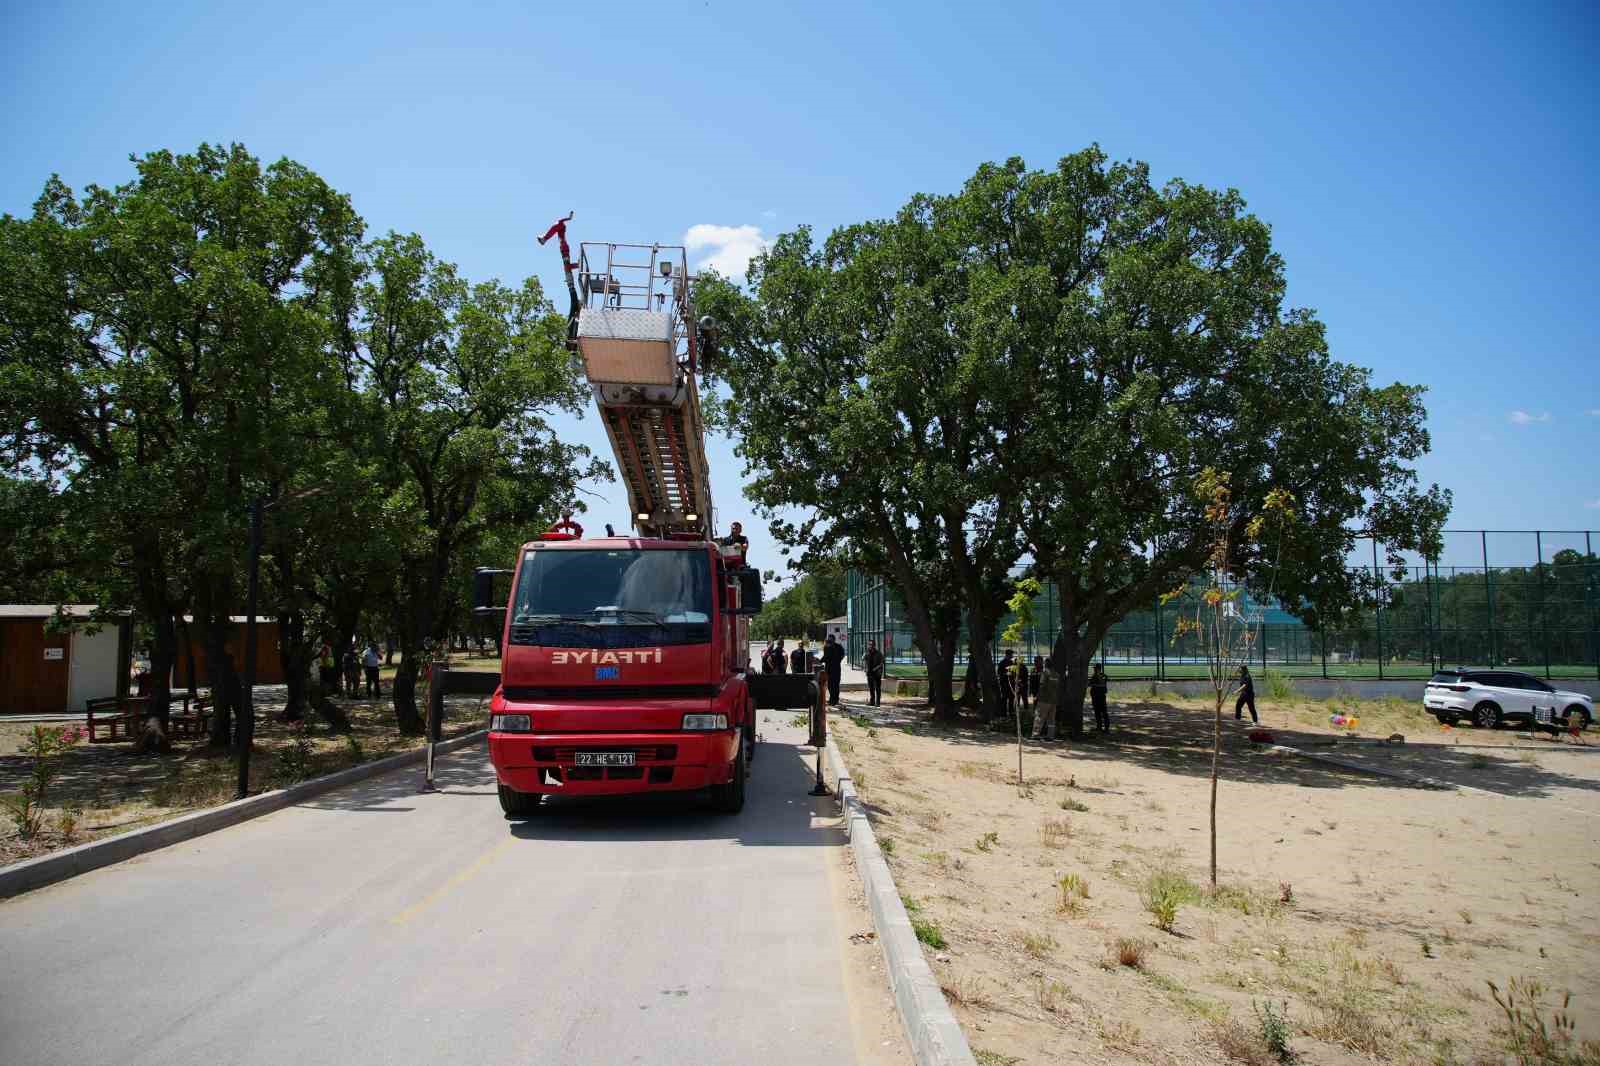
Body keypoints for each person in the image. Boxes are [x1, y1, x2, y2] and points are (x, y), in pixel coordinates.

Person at [822, 633, 845, 706]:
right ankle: (833, 699)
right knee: (831, 685)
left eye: (830, 639)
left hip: (834, 668)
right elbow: (826, 657)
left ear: (833, 640)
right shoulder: (827, 647)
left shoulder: (835, 647)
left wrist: (838, 660)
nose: (830, 640)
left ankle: (834, 699)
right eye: (829, 639)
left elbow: (842, 655)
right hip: (831, 668)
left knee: (834, 685)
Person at [864, 639, 885, 707]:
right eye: (869, 644)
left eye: (872, 645)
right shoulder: (867, 653)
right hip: (869, 673)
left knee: (877, 688)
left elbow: (881, 663)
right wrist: (866, 669)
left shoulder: (879, 653)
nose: (871, 646)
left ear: (874, 645)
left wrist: (876, 668)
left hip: (877, 673)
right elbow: (863, 659)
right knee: (871, 688)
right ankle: (872, 701)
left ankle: (878, 702)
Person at [1090, 663, 1110, 732]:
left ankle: (1106, 728)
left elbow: (1102, 684)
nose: (1094, 670)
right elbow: (1090, 684)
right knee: (1097, 712)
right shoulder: (1094, 676)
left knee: (1104, 712)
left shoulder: (1103, 676)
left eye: (1096, 669)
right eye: (1094, 669)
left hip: (1101, 697)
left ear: (1099, 669)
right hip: (1095, 697)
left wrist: (1098, 677)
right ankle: (1099, 727)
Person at [997, 650, 1016, 718]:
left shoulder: (1012, 663)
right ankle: (1003, 714)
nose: (1012, 656)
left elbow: (1015, 673)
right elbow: (999, 673)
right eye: (1011, 655)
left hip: (1011, 684)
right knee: (1004, 699)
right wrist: (1006, 674)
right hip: (1004, 684)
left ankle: (1011, 713)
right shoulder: (1002, 663)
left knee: (1011, 699)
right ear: (1007, 655)